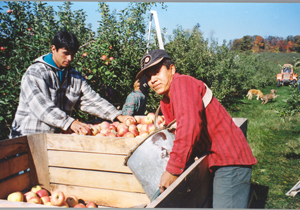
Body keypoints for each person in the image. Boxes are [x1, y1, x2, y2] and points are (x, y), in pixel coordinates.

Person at [135, 49, 257, 208]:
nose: (152, 80)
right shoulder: (166, 101)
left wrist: (172, 170)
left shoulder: (182, 83)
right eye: (149, 77)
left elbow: (188, 127)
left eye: (157, 72)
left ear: (172, 69)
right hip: (213, 159)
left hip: (229, 158)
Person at [10, 31, 133, 138]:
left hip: (54, 140)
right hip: (28, 137)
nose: (69, 58)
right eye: (65, 53)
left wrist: (116, 115)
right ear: (53, 49)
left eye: (73, 54)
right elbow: (41, 106)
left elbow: (91, 99)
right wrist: (69, 122)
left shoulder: (74, 76)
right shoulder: (36, 73)